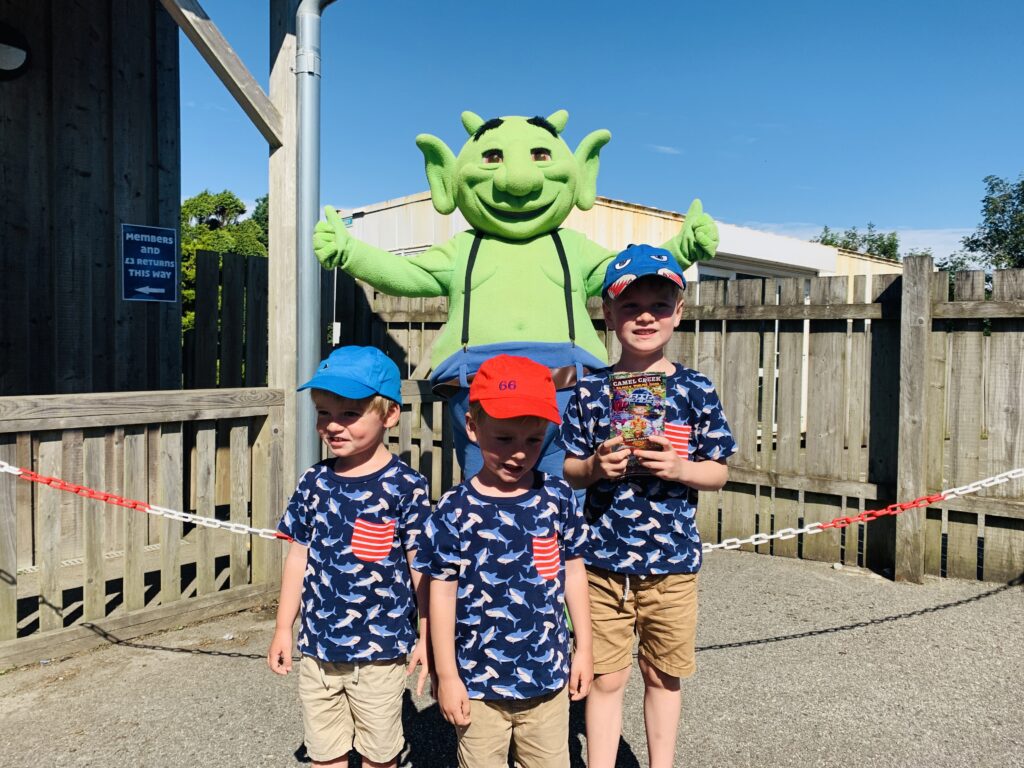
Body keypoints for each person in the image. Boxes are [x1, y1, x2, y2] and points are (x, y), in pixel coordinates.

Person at [558, 244, 737, 768]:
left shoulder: (695, 390)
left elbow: (719, 470)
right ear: (607, 314)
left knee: (663, 674)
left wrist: (681, 469)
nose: (645, 316)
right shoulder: (590, 391)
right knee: (606, 676)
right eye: (629, 305)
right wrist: (594, 469)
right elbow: (565, 468)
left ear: (678, 313)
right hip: (600, 564)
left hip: (672, 566)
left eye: (659, 305)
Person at [415, 354, 593, 768]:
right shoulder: (454, 510)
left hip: (547, 681)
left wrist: (584, 646)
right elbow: (440, 595)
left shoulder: (558, 498)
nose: (519, 454)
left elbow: (572, 572)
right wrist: (448, 676)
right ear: (472, 428)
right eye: (504, 438)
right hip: (478, 686)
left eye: (533, 440)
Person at [267, 346, 432, 768]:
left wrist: (427, 635)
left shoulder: (406, 487)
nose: (333, 426)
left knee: (380, 755)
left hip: (381, 651)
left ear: (390, 415)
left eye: (350, 414)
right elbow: (298, 557)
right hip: (319, 650)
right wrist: (284, 627)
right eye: (324, 413)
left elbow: (420, 566)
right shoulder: (313, 483)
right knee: (325, 753)